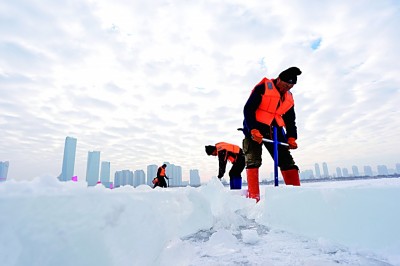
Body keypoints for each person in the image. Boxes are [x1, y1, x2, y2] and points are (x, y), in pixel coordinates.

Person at [242, 66, 302, 202]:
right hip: (255, 128)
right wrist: (253, 129)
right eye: (286, 85)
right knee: (253, 160)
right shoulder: (263, 87)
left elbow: (290, 119)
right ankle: (253, 198)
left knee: (287, 161)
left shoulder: (288, 97)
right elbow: (248, 109)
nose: (287, 89)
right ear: (279, 79)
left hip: (274, 129)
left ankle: (297, 197)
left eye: (290, 87)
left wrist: (292, 137)